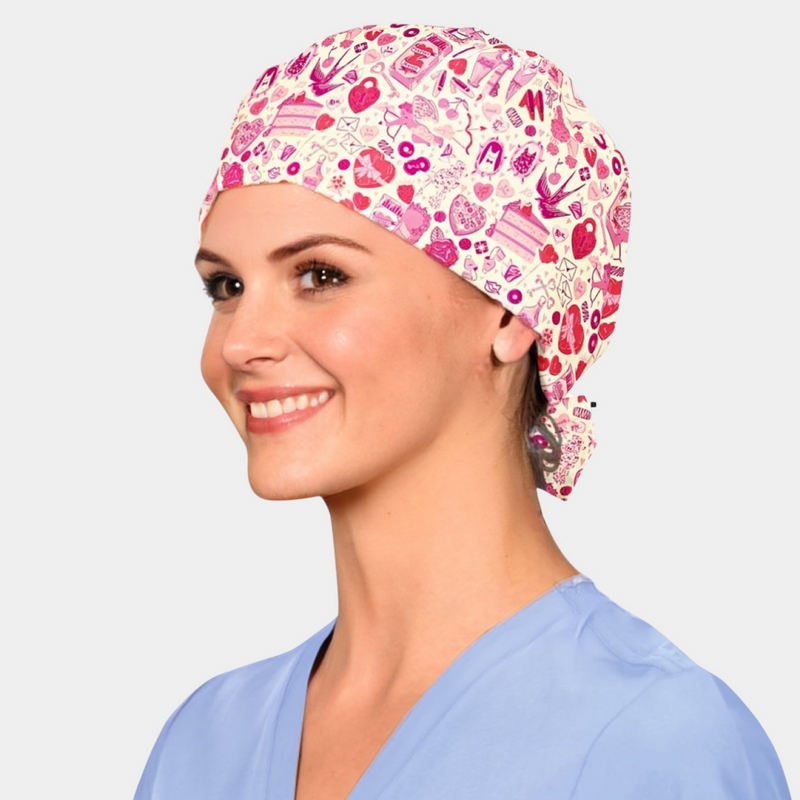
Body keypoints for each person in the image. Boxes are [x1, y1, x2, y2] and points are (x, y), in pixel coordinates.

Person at [133, 22, 792, 800]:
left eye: (319, 275)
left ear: (512, 310)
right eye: (227, 287)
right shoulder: (205, 740)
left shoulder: (654, 741)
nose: (241, 343)